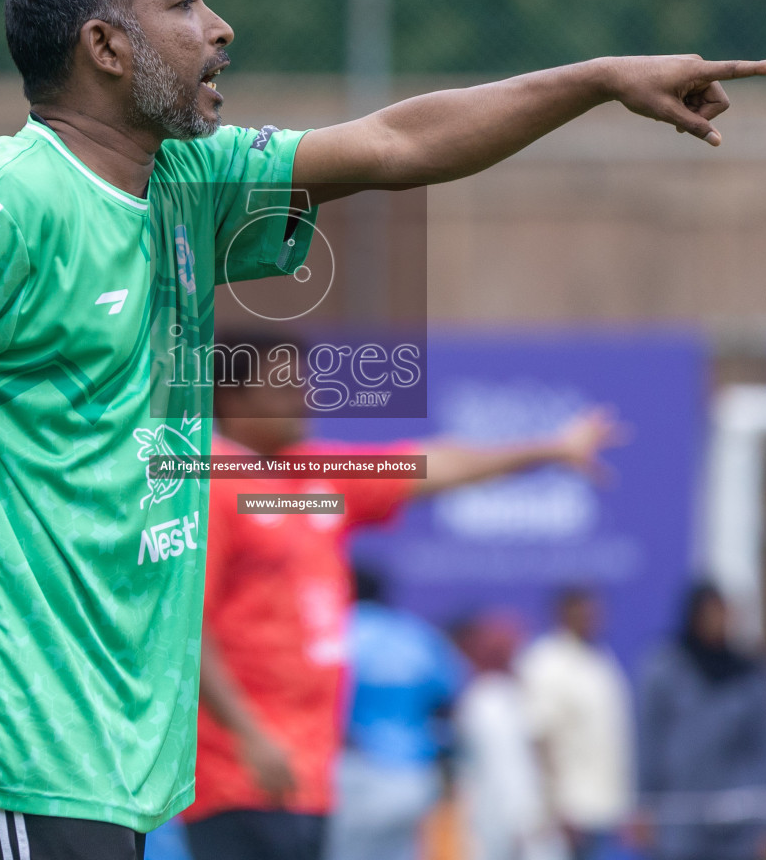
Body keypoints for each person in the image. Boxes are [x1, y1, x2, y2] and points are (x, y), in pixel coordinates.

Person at [0, 0, 766, 860]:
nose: (218, 28)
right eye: (182, 5)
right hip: (12, 731)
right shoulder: (5, 199)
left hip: (104, 741)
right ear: (104, 47)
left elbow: (396, 143)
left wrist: (597, 80)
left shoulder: (186, 183)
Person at [187, 332, 624, 860]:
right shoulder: (207, 481)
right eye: (282, 387)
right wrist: (247, 736)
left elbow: (431, 464)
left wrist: (550, 448)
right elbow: (188, 629)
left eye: (303, 384)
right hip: (238, 774)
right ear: (233, 399)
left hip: (308, 776)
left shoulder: (313, 472)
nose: (301, 398)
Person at [323, 571, 467, 860]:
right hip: (412, 778)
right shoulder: (415, 635)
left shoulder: (335, 632)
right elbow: (448, 701)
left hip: (352, 775)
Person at [635, 583, 766, 860]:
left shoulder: (749, 676)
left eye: (722, 614)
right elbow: (650, 742)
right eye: (708, 614)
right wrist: (645, 804)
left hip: (736, 825)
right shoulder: (665, 670)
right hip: (679, 820)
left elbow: (762, 752)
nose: (716, 622)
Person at [515, 588, 635, 860]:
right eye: (584, 612)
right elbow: (539, 740)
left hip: (605, 812)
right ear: (564, 614)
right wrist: (556, 808)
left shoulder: (600, 659)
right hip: (571, 814)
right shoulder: (546, 662)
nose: (592, 619)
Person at [451, 613, 564, 860]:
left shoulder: (501, 696)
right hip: (507, 825)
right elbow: (506, 772)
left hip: (503, 822)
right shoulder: (489, 701)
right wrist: (524, 820)